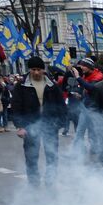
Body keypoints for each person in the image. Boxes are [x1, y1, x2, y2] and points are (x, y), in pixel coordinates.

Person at [11, 56, 66, 186]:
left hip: (50, 125)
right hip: (30, 125)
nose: (36, 72)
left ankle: (50, 181)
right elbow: (16, 106)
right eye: (33, 69)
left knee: (52, 155)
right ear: (29, 70)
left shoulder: (51, 85)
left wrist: (60, 122)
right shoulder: (22, 85)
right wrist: (20, 126)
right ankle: (34, 184)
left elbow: (61, 105)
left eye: (39, 69)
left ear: (43, 70)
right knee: (31, 157)